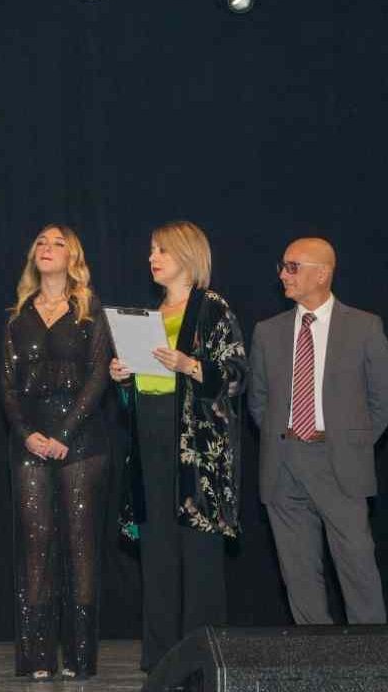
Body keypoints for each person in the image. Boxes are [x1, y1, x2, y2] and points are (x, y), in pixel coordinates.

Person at [108, 221, 247, 673]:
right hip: (149, 437)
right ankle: (162, 660)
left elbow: (236, 376)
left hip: (197, 450)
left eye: (162, 250)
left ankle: (203, 661)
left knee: (199, 556)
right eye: (151, 250)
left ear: (187, 255)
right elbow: (139, 392)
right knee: (158, 554)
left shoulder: (212, 308)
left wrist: (190, 364)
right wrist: (123, 378)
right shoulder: (150, 314)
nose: (152, 258)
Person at [246, 237, 388, 628]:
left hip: (339, 462)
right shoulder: (267, 332)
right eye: (282, 266)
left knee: (357, 568)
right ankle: (316, 654)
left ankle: (372, 654)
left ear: (322, 273)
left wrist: (351, 444)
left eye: (292, 266)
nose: (283, 274)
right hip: (283, 464)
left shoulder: (364, 327)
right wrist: (286, 440)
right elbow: (258, 401)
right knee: (298, 575)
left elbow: (383, 401)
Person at [2, 225, 112, 681]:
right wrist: (26, 433)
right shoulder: (17, 316)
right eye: (41, 244)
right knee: (35, 544)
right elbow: (8, 386)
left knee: (80, 546)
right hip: (30, 441)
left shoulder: (91, 310)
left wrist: (65, 432)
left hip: (81, 440)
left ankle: (81, 657)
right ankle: (38, 657)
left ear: (73, 257)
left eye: (58, 243)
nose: (47, 249)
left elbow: (99, 376)